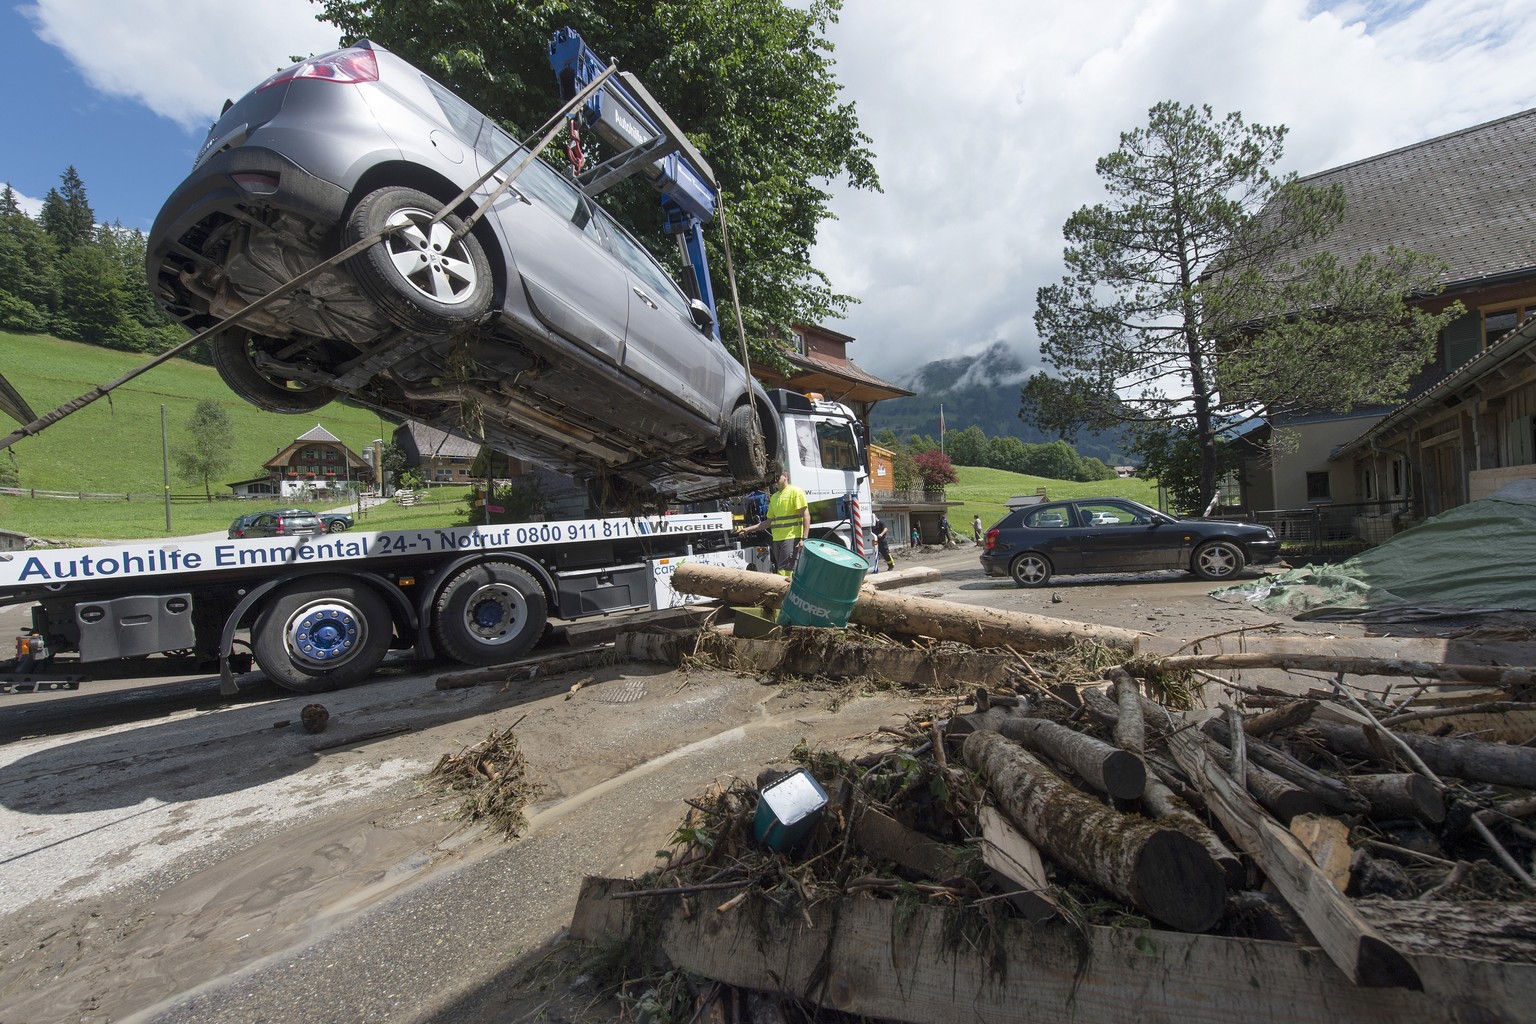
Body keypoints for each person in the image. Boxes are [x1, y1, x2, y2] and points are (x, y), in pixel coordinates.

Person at [738, 466, 810, 575]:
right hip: (777, 539)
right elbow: (768, 522)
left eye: (777, 477)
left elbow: (806, 515)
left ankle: (785, 591)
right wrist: (748, 529)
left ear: (785, 477)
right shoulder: (774, 497)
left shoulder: (795, 492)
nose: (774, 481)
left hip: (791, 538)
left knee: (785, 570)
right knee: (782, 568)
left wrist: (804, 539)